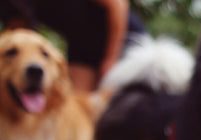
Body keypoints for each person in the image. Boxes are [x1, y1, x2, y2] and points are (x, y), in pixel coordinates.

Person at [0, 0, 146, 92]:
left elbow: (118, 5)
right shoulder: (11, 5)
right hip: (82, 44)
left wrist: (110, 61)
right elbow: (19, 36)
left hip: (123, 38)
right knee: (77, 105)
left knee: (118, 106)